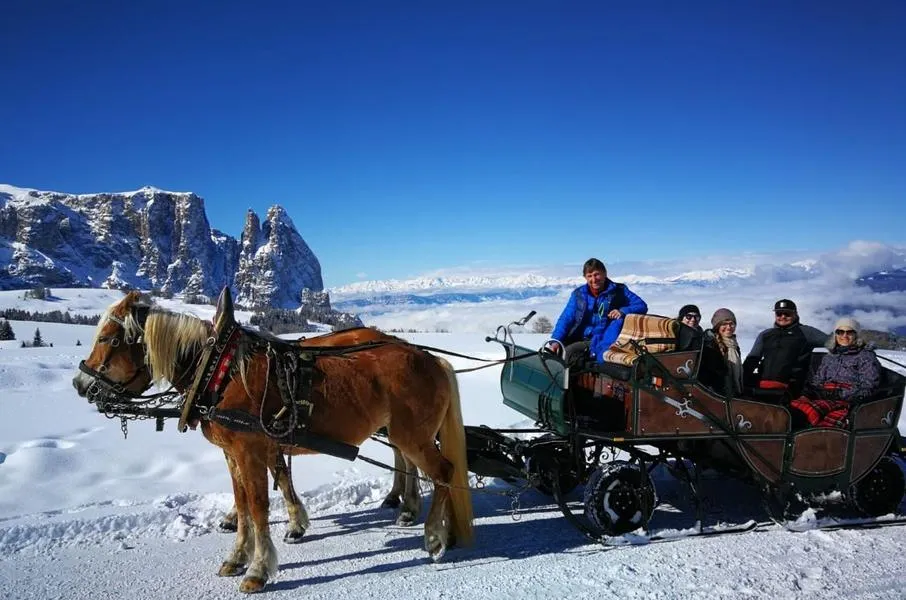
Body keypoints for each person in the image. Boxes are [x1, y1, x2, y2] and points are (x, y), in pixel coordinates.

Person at [549, 258, 648, 366]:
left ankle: (566, 382)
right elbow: (566, 318)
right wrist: (556, 340)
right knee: (552, 353)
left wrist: (623, 311)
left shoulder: (619, 291)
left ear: (605, 273)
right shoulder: (579, 294)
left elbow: (641, 305)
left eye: (597, 274)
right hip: (579, 336)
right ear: (585, 277)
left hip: (602, 338)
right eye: (589, 276)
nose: (594, 279)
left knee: (569, 353)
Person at [789, 317, 882, 428]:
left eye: (849, 332)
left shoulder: (865, 356)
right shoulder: (829, 357)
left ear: (856, 335)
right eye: (840, 332)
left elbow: (868, 386)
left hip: (846, 400)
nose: (844, 336)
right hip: (823, 395)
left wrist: (840, 394)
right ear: (835, 335)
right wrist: (808, 393)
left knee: (812, 414)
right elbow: (818, 379)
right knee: (792, 408)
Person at [743, 299, 827, 398]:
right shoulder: (766, 334)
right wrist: (741, 379)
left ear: (795, 314)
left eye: (787, 313)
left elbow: (833, 341)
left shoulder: (806, 333)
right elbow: (752, 359)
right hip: (762, 386)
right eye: (779, 313)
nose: (783, 316)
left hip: (791, 390)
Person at [700, 308, 743, 396]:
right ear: (717, 326)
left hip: (730, 393)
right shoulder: (709, 346)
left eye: (731, 324)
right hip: (716, 394)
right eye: (724, 324)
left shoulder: (733, 345)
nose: (729, 327)